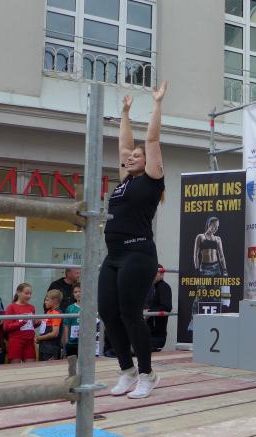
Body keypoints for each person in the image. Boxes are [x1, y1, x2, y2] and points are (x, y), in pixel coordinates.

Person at [99, 81, 167, 399]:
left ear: (149, 161)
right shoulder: (125, 179)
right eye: (131, 156)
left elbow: (151, 139)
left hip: (138, 253)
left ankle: (148, 374)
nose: (132, 156)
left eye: (138, 156)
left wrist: (157, 104)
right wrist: (125, 113)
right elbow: (124, 147)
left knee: (130, 313)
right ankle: (127, 371)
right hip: (113, 255)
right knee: (108, 312)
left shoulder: (152, 180)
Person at [3, 283, 40, 363]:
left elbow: (31, 326)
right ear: (18, 292)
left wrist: (37, 323)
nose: (29, 296)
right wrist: (21, 322)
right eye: (26, 293)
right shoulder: (11, 307)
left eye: (30, 294)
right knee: (15, 367)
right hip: (16, 341)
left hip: (29, 341)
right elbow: (6, 327)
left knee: (30, 366)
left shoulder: (31, 307)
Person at [146, 266, 172, 351]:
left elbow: (167, 307)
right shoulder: (150, 288)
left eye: (161, 272)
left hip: (156, 336)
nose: (160, 274)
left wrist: (149, 312)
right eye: (157, 272)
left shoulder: (164, 287)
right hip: (148, 333)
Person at [36, 289, 63, 361]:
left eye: (47, 300)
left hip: (51, 349)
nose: (45, 302)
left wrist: (40, 338)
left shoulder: (56, 313)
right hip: (44, 347)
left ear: (55, 301)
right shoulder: (49, 312)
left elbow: (55, 333)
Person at [62, 284, 82, 358]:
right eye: (75, 292)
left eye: (80, 291)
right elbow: (66, 325)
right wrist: (66, 341)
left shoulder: (90, 307)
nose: (78, 294)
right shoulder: (70, 308)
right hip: (72, 343)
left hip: (86, 343)